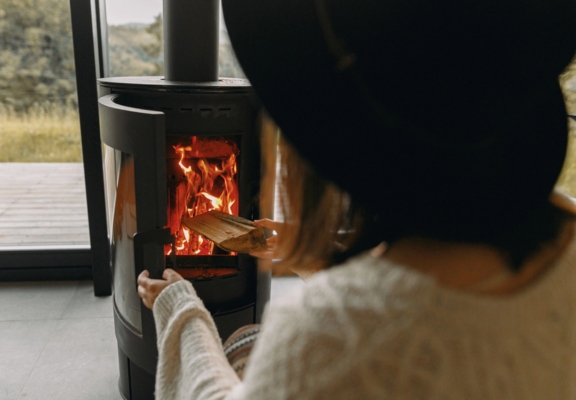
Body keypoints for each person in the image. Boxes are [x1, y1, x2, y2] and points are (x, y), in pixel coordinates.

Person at [137, 0, 576, 398]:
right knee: (248, 336)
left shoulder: (329, 340)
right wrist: (319, 254)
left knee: (243, 340)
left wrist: (181, 309)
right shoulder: (566, 225)